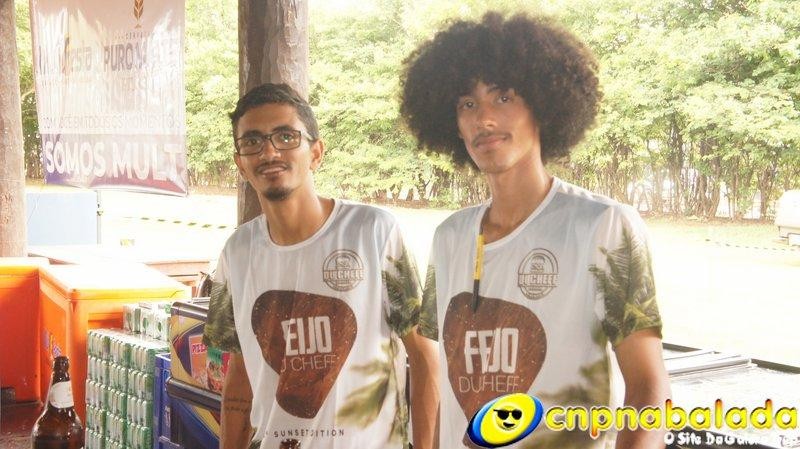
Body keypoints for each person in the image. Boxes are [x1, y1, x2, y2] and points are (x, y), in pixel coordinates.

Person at [400, 12, 669, 449]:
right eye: (467, 104)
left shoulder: (602, 226)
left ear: (542, 106)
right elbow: (441, 380)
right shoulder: (449, 237)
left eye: (503, 97)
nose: (484, 118)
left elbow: (648, 387)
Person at [202, 83, 439, 449]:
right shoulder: (237, 252)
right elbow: (240, 375)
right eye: (252, 141)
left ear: (316, 153)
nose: (269, 151)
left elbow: (423, 354)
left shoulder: (372, 231)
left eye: (286, 136)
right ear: (240, 164)